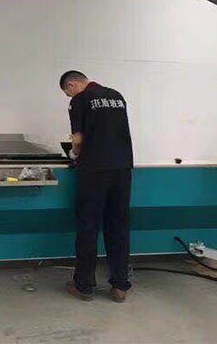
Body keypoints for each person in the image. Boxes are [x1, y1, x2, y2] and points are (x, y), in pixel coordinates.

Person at [59, 70, 134, 303]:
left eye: (67, 92)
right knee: (118, 226)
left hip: (94, 170)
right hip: (122, 169)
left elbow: (78, 139)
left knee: (88, 226)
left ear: (72, 85)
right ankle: (120, 286)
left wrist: (74, 154)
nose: (69, 96)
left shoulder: (79, 100)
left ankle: (84, 286)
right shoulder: (117, 96)